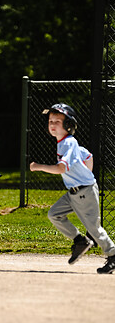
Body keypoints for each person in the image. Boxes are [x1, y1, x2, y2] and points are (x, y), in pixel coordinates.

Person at [30, 103, 115, 274]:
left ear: (68, 125)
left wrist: (38, 166)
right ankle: (80, 241)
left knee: (94, 229)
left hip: (84, 193)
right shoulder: (65, 143)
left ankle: (113, 254)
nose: (52, 124)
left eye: (57, 121)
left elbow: (61, 168)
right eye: (50, 121)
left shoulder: (68, 143)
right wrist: (85, 176)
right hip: (75, 191)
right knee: (54, 214)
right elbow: (88, 156)